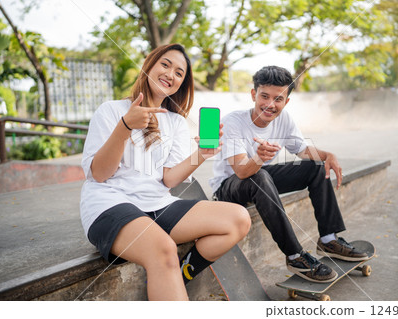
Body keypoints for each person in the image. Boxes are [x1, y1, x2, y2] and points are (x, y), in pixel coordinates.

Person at [80, 43, 251, 301]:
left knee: (238, 219)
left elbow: (169, 178)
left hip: (157, 203)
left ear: (181, 84)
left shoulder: (176, 121)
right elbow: (100, 174)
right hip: (111, 203)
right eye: (165, 64)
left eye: (179, 73)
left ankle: (177, 276)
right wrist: (125, 126)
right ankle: (167, 272)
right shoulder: (112, 110)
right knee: (164, 250)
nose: (171, 74)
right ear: (149, 65)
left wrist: (202, 154)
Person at [210, 65, 367, 283]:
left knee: (316, 166)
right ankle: (294, 256)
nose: (270, 105)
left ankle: (329, 239)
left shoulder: (284, 120)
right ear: (254, 94)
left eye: (278, 99)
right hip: (228, 189)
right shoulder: (233, 122)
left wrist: (326, 154)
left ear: (286, 101)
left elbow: (302, 150)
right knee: (260, 176)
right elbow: (242, 170)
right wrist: (259, 158)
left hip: (259, 176)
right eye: (264, 96)